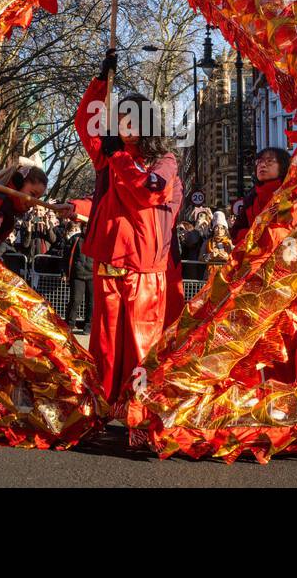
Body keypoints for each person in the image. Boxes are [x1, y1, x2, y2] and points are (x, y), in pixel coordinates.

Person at [75, 49, 183, 403]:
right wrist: (101, 81)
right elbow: (83, 120)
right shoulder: (109, 156)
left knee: (142, 342)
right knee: (105, 340)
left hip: (146, 267)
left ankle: (139, 410)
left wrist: (117, 156)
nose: (125, 125)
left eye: (132, 119)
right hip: (110, 259)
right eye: (120, 119)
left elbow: (147, 193)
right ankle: (103, 403)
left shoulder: (163, 162)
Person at [230, 147, 290, 242]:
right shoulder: (251, 199)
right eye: (259, 161)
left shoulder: (292, 192)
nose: (262, 165)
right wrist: (254, 235)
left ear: (283, 166)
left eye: (269, 161)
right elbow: (235, 232)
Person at [61, 218, 94, 332]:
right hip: (77, 274)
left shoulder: (97, 239)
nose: (86, 229)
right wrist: (64, 272)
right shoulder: (75, 239)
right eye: (84, 227)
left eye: (87, 227)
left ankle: (88, 325)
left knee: (91, 302)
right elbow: (66, 257)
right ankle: (69, 324)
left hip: (92, 275)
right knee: (75, 300)